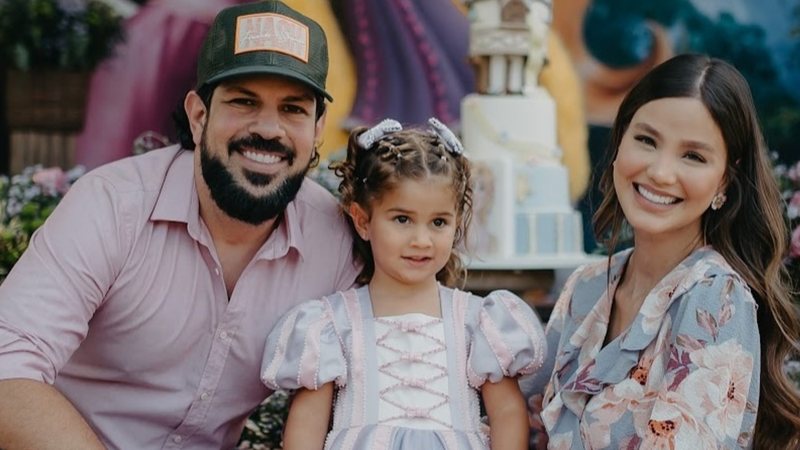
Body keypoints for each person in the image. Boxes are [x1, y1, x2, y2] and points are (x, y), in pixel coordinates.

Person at [0, 2, 360, 449]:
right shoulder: (113, 205)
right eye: (243, 101)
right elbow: (7, 370)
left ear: (318, 128)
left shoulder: (335, 240)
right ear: (198, 114)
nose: (269, 128)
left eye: (293, 109)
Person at [521, 53, 800, 449]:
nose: (660, 172)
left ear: (725, 180)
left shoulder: (715, 300)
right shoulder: (585, 288)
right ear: (619, 141)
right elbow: (520, 424)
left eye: (693, 156)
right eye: (646, 140)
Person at [260, 118, 547, 449]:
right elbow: (308, 422)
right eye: (402, 219)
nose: (421, 240)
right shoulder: (331, 324)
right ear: (363, 220)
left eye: (438, 222)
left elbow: (508, 413)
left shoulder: (479, 321)